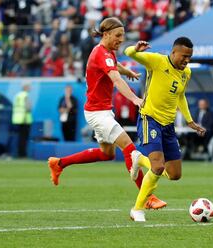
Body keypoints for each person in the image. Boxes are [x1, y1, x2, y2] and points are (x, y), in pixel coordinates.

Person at [47, 17, 166, 210]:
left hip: (100, 111)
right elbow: (116, 80)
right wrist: (135, 99)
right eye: (118, 35)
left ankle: (59, 163)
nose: (121, 39)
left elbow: (115, 65)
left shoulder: (105, 52)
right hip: (98, 114)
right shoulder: (102, 54)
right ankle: (148, 197)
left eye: (123, 36)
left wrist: (127, 71)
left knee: (106, 154)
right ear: (106, 34)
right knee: (129, 147)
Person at [124, 37, 206, 221]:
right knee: (158, 167)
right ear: (173, 52)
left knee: (175, 174)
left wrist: (190, 121)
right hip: (149, 119)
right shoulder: (157, 61)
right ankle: (137, 209)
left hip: (168, 126)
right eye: (184, 56)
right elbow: (127, 53)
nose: (187, 60)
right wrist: (135, 48)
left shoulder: (186, 72)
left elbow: (181, 96)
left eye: (190, 57)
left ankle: (139, 159)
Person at [12, 82, 32, 158]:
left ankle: (20, 153)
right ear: (25, 87)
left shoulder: (17, 95)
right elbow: (28, 108)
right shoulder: (25, 95)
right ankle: (22, 154)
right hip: (24, 119)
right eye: (29, 86)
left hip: (17, 119)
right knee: (23, 138)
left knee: (20, 137)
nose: (30, 88)